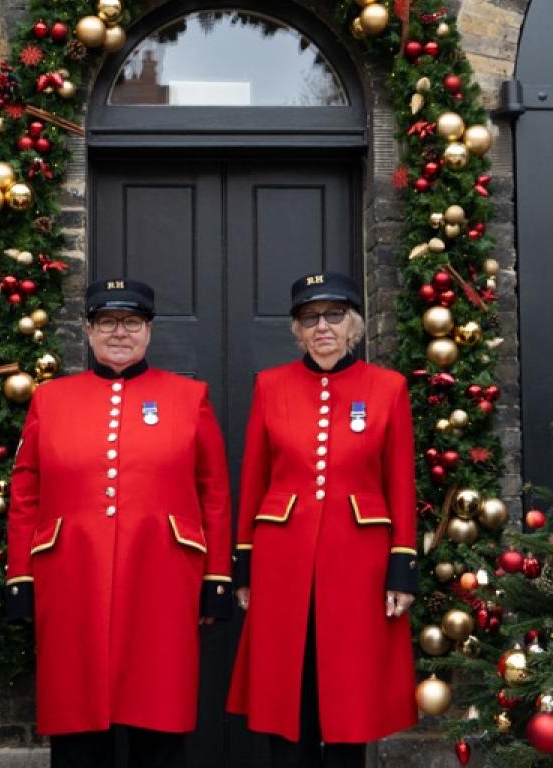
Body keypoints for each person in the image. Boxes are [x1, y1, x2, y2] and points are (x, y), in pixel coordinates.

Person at [5, 278, 235, 768]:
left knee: (159, 715)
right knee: (77, 719)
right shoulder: (51, 399)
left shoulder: (188, 397)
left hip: (163, 576)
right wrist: (21, 577)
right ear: (88, 330)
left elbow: (213, 492)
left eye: (132, 322)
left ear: (149, 331)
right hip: (71, 576)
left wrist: (216, 578)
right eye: (106, 321)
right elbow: (25, 492)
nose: (119, 333)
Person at [227, 271, 417, 768]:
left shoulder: (388, 388)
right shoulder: (270, 386)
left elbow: (400, 483)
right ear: (297, 330)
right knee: (284, 687)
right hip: (281, 558)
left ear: (353, 325)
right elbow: (254, 481)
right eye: (310, 318)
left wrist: (403, 567)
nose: (323, 327)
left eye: (334, 315)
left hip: (361, 561)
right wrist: (243, 565)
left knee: (349, 694)